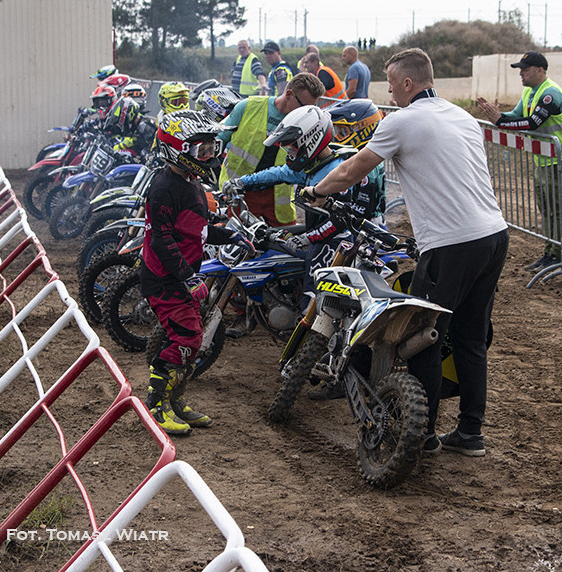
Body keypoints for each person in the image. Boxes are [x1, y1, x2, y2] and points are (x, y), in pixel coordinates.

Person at [304, 48, 509, 456]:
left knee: (423, 337)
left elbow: (351, 170)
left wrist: (315, 191)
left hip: (451, 243)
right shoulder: (464, 118)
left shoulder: (401, 121)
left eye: (393, 86)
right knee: (469, 337)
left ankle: (424, 435)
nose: (391, 93)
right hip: (493, 235)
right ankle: (471, 432)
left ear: (409, 84)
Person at [140, 109, 254, 435]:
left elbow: (198, 229)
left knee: (194, 340)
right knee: (187, 338)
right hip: (164, 277)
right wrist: (188, 278)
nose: (208, 156)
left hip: (183, 275)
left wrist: (230, 234)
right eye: (200, 150)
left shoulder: (190, 182)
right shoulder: (164, 187)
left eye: (211, 149)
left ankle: (175, 403)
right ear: (178, 150)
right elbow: (161, 239)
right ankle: (155, 406)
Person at [222, 104, 385, 302]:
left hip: (335, 240)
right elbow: (279, 173)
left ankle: (312, 325)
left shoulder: (337, 170)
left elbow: (339, 222)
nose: (289, 153)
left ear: (311, 140)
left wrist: (309, 238)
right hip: (317, 230)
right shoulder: (314, 164)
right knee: (272, 238)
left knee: (312, 297)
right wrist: (241, 182)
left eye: (292, 147)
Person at [476, 51, 562, 272]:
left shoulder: (551, 94)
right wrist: (500, 116)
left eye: (525, 69)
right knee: (547, 208)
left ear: (539, 70)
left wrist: (500, 121)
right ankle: (550, 253)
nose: (521, 74)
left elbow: (531, 123)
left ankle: (557, 254)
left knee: (556, 209)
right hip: (544, 161)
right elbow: (516, 116)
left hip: (559, 161)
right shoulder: (530, 92)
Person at [217, 72, 325, 226]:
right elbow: (219, 138)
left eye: (312, 107)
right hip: (240, 191)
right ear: (289, 94)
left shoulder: (307, 123)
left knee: (286, 244)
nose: (308, 112)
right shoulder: (247, 107)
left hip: (278, 197)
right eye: (304, 106)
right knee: (239, 243)